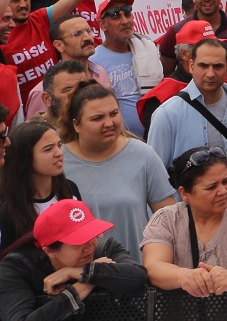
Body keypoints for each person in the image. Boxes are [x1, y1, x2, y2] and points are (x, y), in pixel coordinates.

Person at [140, 147, 227, 296]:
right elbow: (153, 267)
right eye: (211, 187)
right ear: (184, 193)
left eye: (226, 181)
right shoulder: (165, 220)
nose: (223, 191)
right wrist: (185, 277)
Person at [60, 85, 174, 255]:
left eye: (114, 114)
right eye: (97, 118)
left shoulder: (143, 154)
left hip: (137, 273)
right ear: (76, 124)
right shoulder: (59, 162)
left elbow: (169, 220)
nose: (109, 123)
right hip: (81, 276)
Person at [0, 199, 147, 320]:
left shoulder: (104, 248)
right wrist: (82, 286)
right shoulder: (15, 267)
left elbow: (138, 276)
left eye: (92, 235)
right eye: (79, 242)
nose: (89, 247)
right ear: (50, 251)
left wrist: (78, 272)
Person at [144, 38, 227, 188]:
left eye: (217, 66)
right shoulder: (167, 113)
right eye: (203, 66)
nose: (210, 73)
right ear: (191, 65)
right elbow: (155, 173)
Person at [86, 0, 162, 140]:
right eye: (115, 16)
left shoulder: (148, 50)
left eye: (127, 14)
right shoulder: (93, 61)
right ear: (102, 25)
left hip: (155, 134)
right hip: (118, 141)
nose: (125, 21)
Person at [0, 122, 78, 248]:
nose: (59, 153)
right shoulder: (7, 208)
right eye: (48, 149)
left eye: (59, 145)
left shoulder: (69, 188)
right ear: (24, 157)